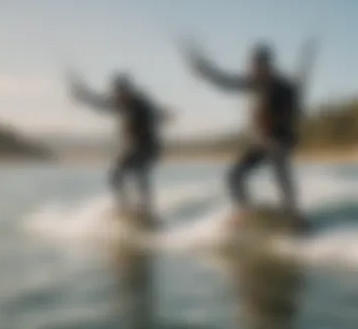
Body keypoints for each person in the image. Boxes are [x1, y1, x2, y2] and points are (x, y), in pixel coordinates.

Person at [182, 39, 317, 227]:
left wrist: (281, 121)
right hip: (263, 141)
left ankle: (291, 211)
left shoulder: (284, 87)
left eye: (256, 65)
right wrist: (205, 70)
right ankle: (244, 210)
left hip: (282, 139)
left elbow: (294, 113)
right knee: (234, 175)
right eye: (251, 66)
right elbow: (226, 82)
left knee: (279, 167)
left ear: (266, 65)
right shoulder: (255, 83)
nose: (252, 69)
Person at [67, 69, 172, 224]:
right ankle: (123, 207)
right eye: (117, 92)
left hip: (149, 147)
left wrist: (162, 115)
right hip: (134, 147)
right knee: (115, 174)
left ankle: (146, 210)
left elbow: (157, 114)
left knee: (140, 172)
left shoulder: (142, 103)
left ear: (128, 89)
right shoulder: (118, 102)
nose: (119, 96)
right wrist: (82, 95)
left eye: (122, 92)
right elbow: (100, 103)